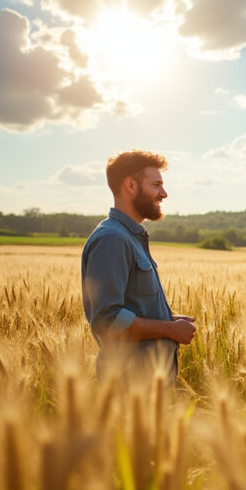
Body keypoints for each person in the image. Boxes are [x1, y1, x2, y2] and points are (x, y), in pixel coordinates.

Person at [81, 150, 197, 381]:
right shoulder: (113, 239)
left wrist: (166, 319)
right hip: (130, 383)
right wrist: (169, 330)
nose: (164, 193)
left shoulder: (128, 237)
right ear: (130, 186)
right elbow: (107, 320)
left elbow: (129, 308)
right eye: (156, 185)